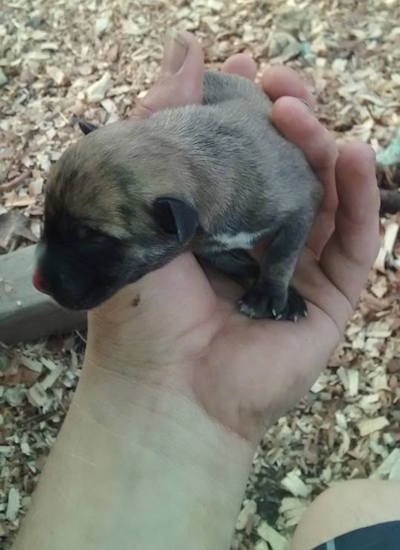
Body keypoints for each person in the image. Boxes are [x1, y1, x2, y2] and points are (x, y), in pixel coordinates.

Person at [11, 31, 398, 550]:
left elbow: (304, 199)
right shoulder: (168, 198)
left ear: (179, 221)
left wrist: (274, 280)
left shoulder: (260, 191)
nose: (40, 275)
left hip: (242, 156)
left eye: (94, 241)